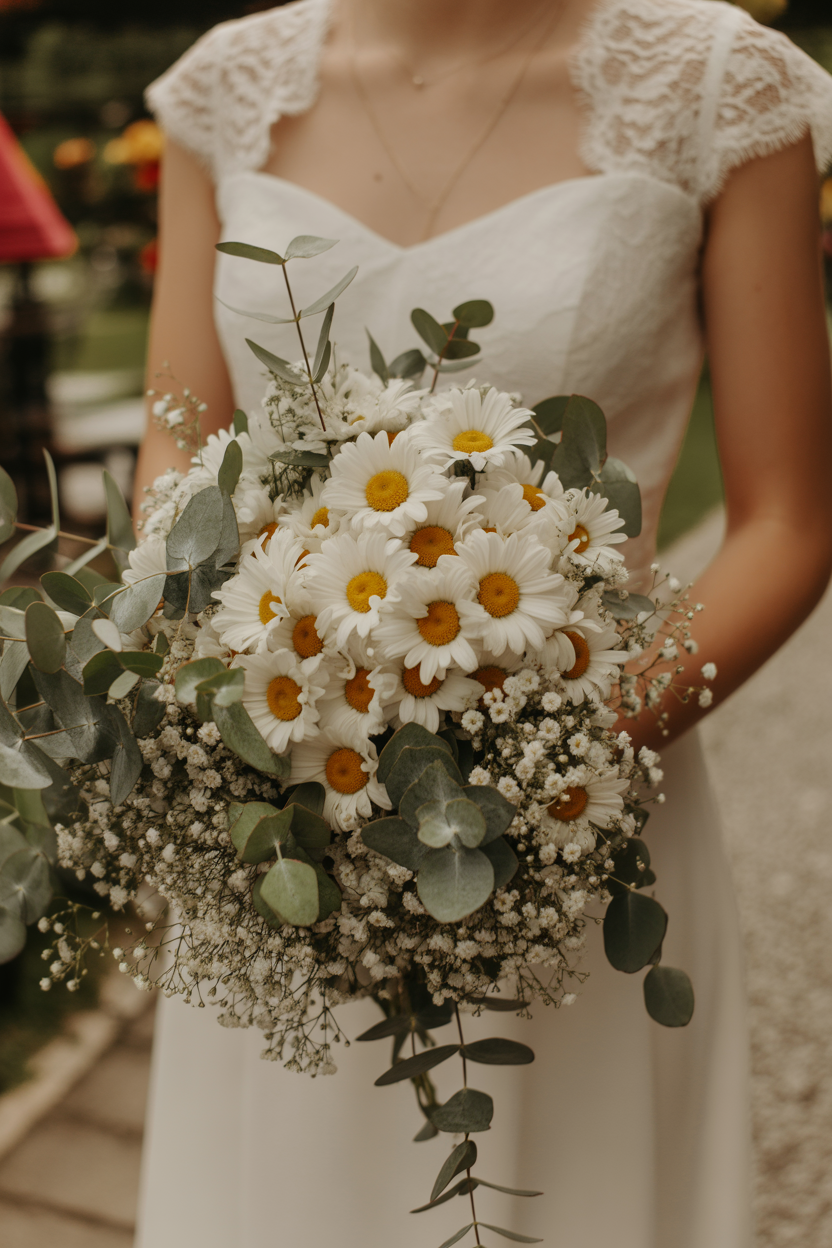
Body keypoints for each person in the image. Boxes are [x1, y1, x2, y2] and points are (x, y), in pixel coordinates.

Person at [133, 1, 832, 1245]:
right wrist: (237, 731)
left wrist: (537, 775)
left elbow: (787, 519)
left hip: (586, 826)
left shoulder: (723, 84)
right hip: (290, 832)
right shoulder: (223, 92)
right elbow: (179, 461)